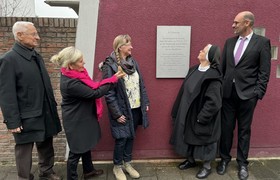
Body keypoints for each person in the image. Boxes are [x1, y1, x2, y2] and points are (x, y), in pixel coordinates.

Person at [50, 46, 125, 180]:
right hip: (76, 120)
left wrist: (109, 80)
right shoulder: (70, 83)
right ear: (70, 65)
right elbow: (94, 93)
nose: (84, 63)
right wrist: (112, 80)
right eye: (80, 61)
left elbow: (93, 86)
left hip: (83, 116)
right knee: (76, 150)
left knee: (86, 144)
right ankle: (72, 177)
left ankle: (88, 170)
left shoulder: (77, 74)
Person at [0, 21, 62, 180]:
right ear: (20, 35)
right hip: (26, 115)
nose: (38, 37)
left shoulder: (35, 55)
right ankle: (24, 177)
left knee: (46, 144)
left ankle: (46, 172)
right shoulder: (9, 60)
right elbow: (6, 93)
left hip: (45, 110)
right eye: (33, 34)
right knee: (24, 149)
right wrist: (13, 121)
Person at [216, 11, 271, 180]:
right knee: (226, 129)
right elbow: (223, 68)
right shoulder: (229, 42)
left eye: (236, 22)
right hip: (228, 95)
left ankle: (242, 164)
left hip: (248, 95)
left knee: (244, 130)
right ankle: (224, 159)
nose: (233, 25)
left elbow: (264, 72)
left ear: (247, 23)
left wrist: (257, 93)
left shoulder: (262, 43)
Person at [100, 34, 150, 180]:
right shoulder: (110, 65)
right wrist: (116, 113)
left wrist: (145, 103)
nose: (132, 47)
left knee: (130, 137)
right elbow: (108, 92)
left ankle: (127, 163)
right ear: (121, 47)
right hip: (121, 110)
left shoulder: (133, 63)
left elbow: (141, 85)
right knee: (121, 138)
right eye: (129, 44)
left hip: (135, 108)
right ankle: (117, 167)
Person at [170, 44, 222, 179]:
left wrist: (202, 117)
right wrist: (176, 110)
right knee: (188, 135)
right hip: (187, 111)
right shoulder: (193, 69)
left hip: (202, 115)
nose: (200, 50)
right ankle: (191, 160)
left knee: (205, 139)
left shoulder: (213, 76)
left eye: (203, 50)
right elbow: (183, 91)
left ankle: (207, 166)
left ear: (209, 57)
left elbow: (214, 102)